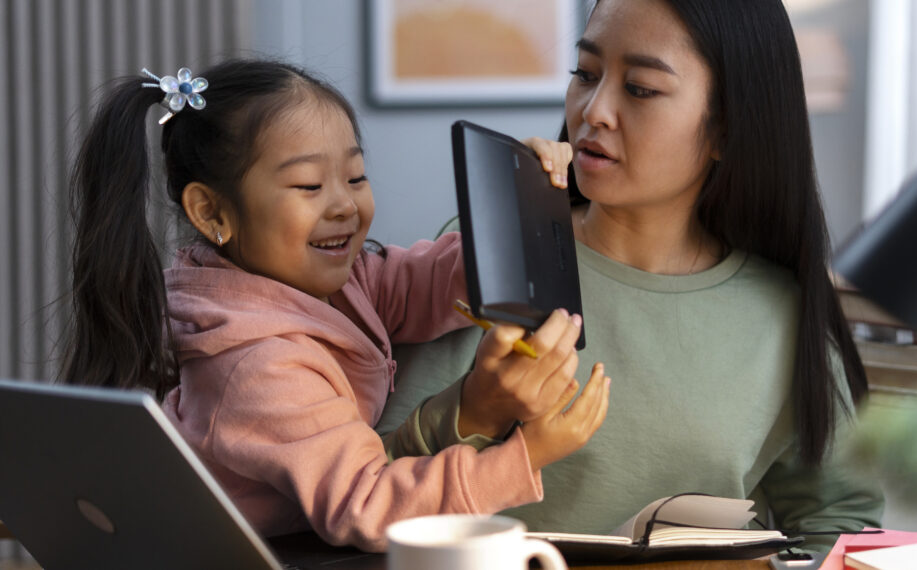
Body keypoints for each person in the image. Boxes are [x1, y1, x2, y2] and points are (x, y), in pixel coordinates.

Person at [377, 0, 883, 553]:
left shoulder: (782, 314)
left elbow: (841, 519)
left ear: (727, 129)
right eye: (585, 74)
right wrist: (473, 410)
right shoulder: (488, 254)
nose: (594, 110)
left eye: (640, 88)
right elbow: (368, 489)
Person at [60, 58, 610, 551]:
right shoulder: (259, 366)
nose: (345, 205)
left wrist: (523, 206)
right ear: (211, 213)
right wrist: (526, 455)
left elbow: (423, 282)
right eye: (307, 186)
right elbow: (369, 509)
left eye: (355, 176)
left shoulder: (331, 282)